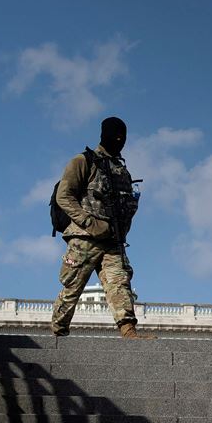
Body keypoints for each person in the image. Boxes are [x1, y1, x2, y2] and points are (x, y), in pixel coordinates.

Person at [50, 116, 147, 339]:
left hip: (112, 240)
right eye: (116, 136)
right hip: (84, 238)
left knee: (120, 283)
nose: (120, 141)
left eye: (123, 137)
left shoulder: (121, 171)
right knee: (73, 286)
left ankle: (128, 329)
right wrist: (88, 222)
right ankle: (59, 329)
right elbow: (63, 196)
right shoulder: (83, 161)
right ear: (104, 135)